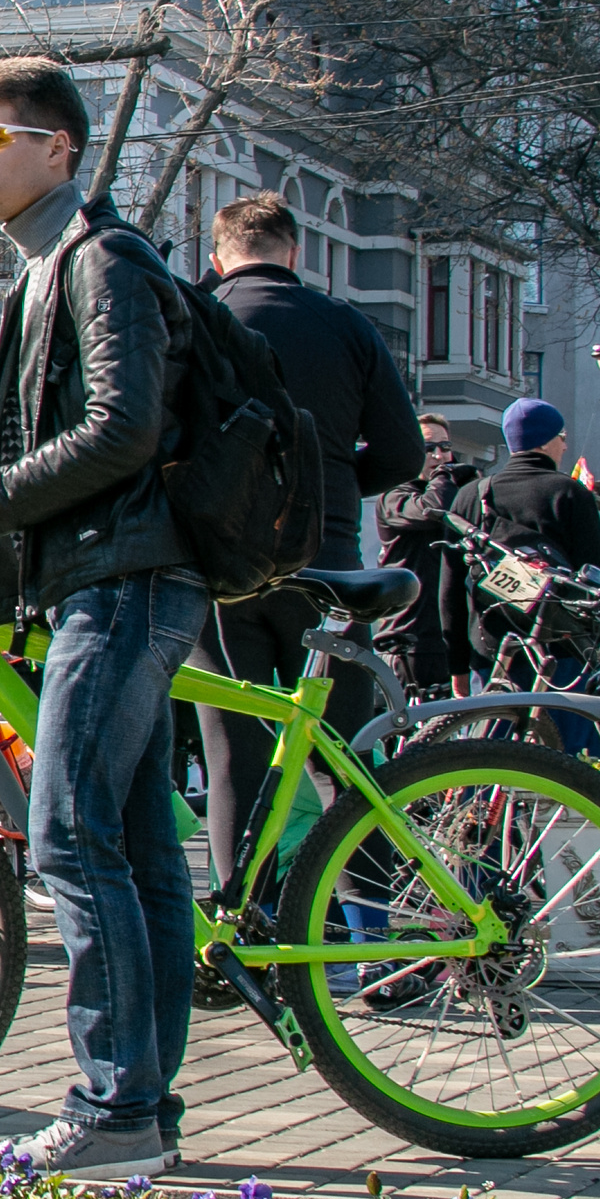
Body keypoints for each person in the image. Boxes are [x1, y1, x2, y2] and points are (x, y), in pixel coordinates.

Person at [0, 56, 205, 1181]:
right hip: (107, 576)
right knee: (133, 844)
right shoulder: (48, 269)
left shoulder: (101, 262)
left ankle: (115, 1103)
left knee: (72, 832)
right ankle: (143, 1109)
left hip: (125, 579)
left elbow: (122, 430)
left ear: (58, 150)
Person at [186, 192, 421, 888]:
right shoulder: (347, 324)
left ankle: (243, 924)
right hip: (328, 566)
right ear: (295, 254)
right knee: (341, 758)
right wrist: (336, 485)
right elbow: (404, 453)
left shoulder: (198, 322)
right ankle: (373, 935)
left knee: (234, 757)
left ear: (217, 257)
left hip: (222, 570)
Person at [439, 397, 600, 701]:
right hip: (564, 656)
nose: (565, 447)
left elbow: (451, 591)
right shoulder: (569, 493)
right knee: (563, 747)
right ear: (546, 442)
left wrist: (457, 667)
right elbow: (597, 580)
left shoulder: (469, 496)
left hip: (490, 653)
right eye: (562, 438)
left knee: (493, 745)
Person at [374, 413, 480, 694]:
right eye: (429, 449)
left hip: (453, 639)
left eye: (445, 448)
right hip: (411, 642)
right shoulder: (394, 496)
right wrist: (445, 473)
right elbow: (432, 508)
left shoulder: (451, 493)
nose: (439, 455)